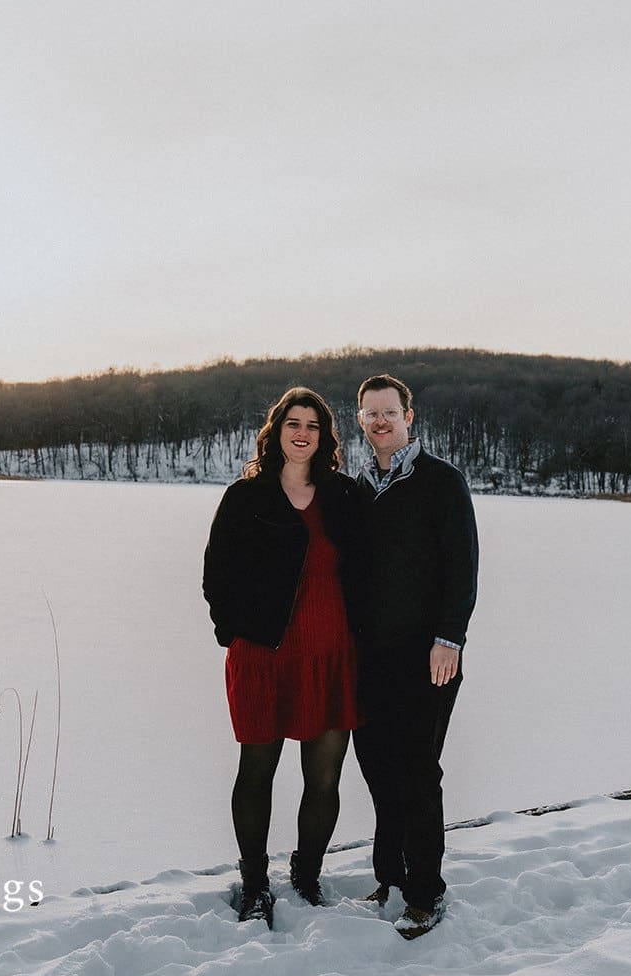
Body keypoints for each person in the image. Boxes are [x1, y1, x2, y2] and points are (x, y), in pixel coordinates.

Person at [202, 386, 366, 928]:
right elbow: (216, 575)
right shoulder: (246, 497)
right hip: (264, 656)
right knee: (257, 772)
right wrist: (235, 634)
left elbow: (376, 567)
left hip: (331, 653)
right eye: (293, 423)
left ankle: (307, 874)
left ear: (325, 437)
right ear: (277, 432)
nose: (302, 433)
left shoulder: (344, 497)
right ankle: (253, 883)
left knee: (324, 777)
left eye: (313, 426)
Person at [351, 373, 478, 940]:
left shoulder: (441, 482)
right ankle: (391, 878)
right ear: (360, 422)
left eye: (390, 412)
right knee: (378, 769)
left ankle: (425, 893)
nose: (381, 422)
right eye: (370, 413)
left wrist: (449, 639)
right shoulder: (358, 490)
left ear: (409, 417)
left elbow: (462, 568)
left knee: (417, 773)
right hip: (369, 660)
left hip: (428, 658)